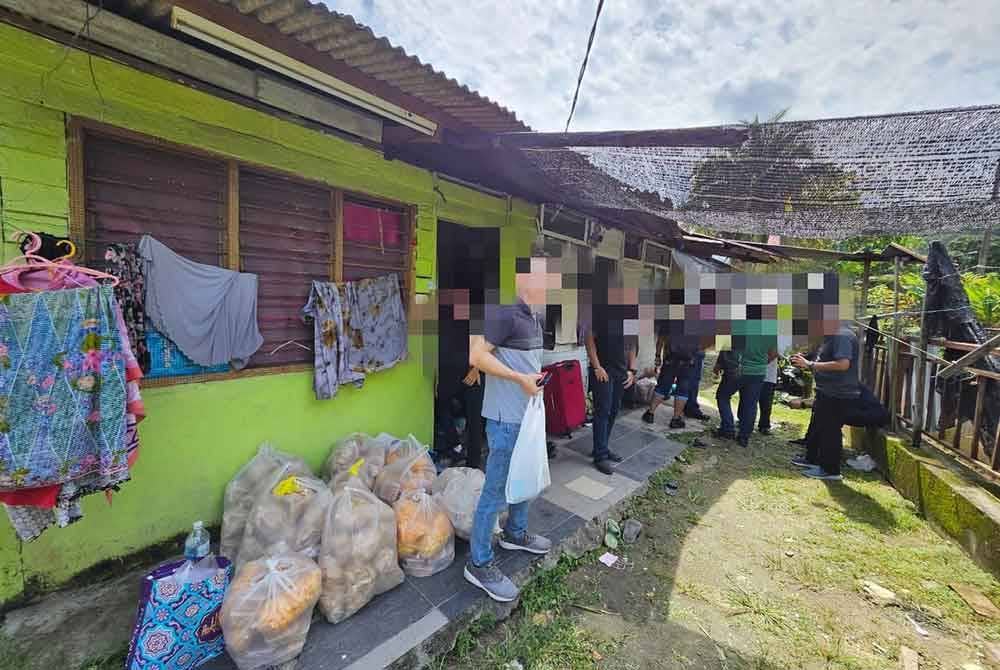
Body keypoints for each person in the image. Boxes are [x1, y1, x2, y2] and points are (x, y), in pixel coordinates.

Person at [465, 248, 554, 602]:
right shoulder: (503, 313)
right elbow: (477, 356)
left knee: (526, 479)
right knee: (495, 491)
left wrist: (533, 381)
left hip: (528, 417)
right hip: (505, 421)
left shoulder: (535, 318)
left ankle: (515, 534)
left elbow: (524, 362)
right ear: (523, 279)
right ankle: (479, 561)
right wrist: (520, 379)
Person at [790, 321, 861, 481]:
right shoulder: (831, 336)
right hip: (827, 391)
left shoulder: (842, 335)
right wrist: (806, 360)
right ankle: (814, 460)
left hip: (837, 393)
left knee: (831, 431)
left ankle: (831, 470)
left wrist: (810, 364)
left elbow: (843, 364)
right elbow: (825, 358)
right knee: (820, 428)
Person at [584, 280, 638, 475]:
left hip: (621, 371)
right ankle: (600, 456)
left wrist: (632, 370)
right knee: (602, 411)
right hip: (603, 370)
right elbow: (588, 339)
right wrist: (596, 366)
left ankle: (602, 447)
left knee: (614, 410)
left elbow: (632, 344)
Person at [714, 333, 777, 448]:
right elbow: (774, 353)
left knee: (722, 396)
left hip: (736, 370)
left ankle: (727, 429)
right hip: (758, 373)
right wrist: (760, 364)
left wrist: (718, 365)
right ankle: (744, 437)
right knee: (751, 404)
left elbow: (724, 348)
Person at [643, 329, 698, 429]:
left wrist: (658, 356)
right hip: (688, 361)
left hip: (671, 359)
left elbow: (660, 340)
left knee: (662, 386)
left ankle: (650, 414)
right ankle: (676, 419)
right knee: (682, 390)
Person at [683, 350, 711, 421]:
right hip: (694, 352)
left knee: (691, 381)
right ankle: (690, 408)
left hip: (694, 352)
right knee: (692, 381)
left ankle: (689, 407)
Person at [757, 357, 778, 435]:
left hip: (768, 376)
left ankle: (764, 425)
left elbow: (776, 353)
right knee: (748, 400)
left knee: (766, 403)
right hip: (754, 373)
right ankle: (744, 421)